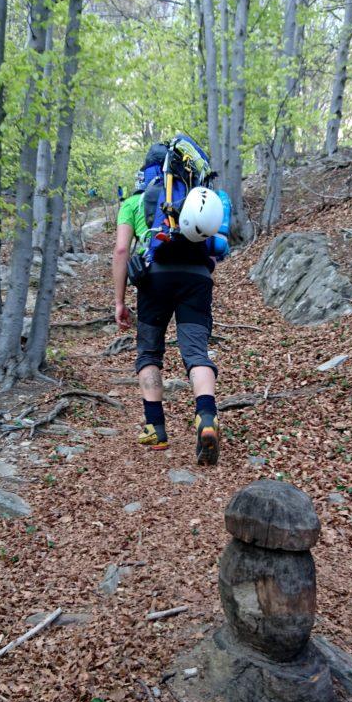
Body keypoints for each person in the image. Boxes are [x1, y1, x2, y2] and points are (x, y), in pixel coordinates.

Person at [112, 148, 225, 467]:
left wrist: (120, 300)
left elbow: (122, 250)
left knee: (149, 353)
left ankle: (156, 428)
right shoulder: (193, 195)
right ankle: (206, 417)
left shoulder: (134, 202)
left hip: (154, 279)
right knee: (196, 352)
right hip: (196, 278)